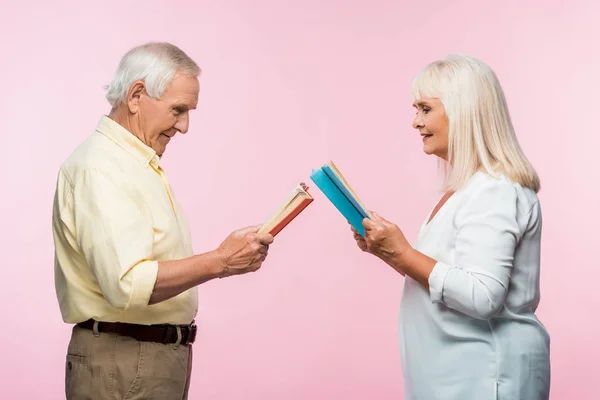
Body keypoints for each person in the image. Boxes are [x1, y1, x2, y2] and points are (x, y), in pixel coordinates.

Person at [52, 42, 274, 400]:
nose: (184, 126)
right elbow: (127, 284)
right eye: (178, 110)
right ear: (137, 95)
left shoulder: (133, 164)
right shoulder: (103, 168)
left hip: (145, 358)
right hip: (124, 360)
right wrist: (221, 260)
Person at [351, 54, 551, 399]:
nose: (415, 122)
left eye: (425, 109)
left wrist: (403, 254)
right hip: (456, 378)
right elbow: (449, 276)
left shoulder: (495, 191)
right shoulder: (467, 190)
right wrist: (390, 253)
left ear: (463, 111)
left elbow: (483, 295)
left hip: (486, 378)